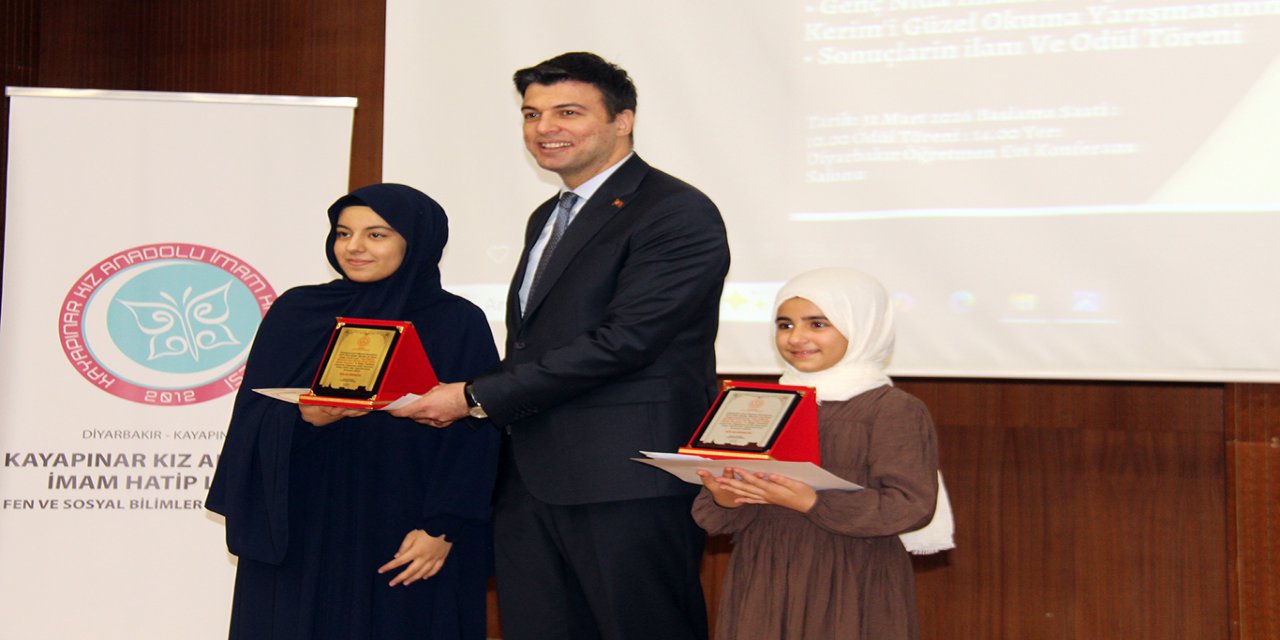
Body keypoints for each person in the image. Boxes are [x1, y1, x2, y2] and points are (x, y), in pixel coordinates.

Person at [392, 52, 729, 640]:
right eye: (532, 113)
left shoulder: (676, 211)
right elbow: (533, 344)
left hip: (626, 477)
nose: (545, 128)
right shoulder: (548, 214)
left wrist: (473, 396)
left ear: (622, 120)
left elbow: (626, 341)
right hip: (530, 479)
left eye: (567, 111)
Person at [206, 184, 501, 640]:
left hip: (409, 527)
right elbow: (250, 420)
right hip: (302, 525)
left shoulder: (455, 320)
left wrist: (444, 527)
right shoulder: (297, 311)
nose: (354, 247)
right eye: (344, 233)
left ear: (416, 241)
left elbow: (479, 433)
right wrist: (305, 419)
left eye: (376, 235)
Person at [693, 267, 940, 640]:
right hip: (765, 572)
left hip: (851, 574)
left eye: (818, 324)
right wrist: (727, 499)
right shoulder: (758, 403)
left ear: (860, 326)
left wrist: (814, 502)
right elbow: (714, 518)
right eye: (785, 324)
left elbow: (910, 505)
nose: (797, 338)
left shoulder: (890, 408)